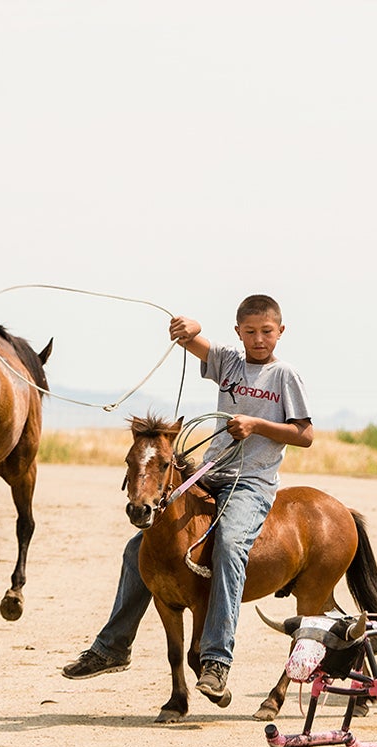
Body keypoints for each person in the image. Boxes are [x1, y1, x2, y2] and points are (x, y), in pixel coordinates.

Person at [62, 294, 312, 702]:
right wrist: (189, 329)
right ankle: (112, 648)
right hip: (209, 473)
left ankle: (216, 658)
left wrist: (258, 425)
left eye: (267, 331)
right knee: (137, 549)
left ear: (280, 332)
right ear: (238, 332)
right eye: (250, 332)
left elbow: (305, 435)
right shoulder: (230, 361)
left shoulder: (285, 376)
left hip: (250, 482)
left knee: (230, 545)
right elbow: (195, 342)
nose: (258, 339)